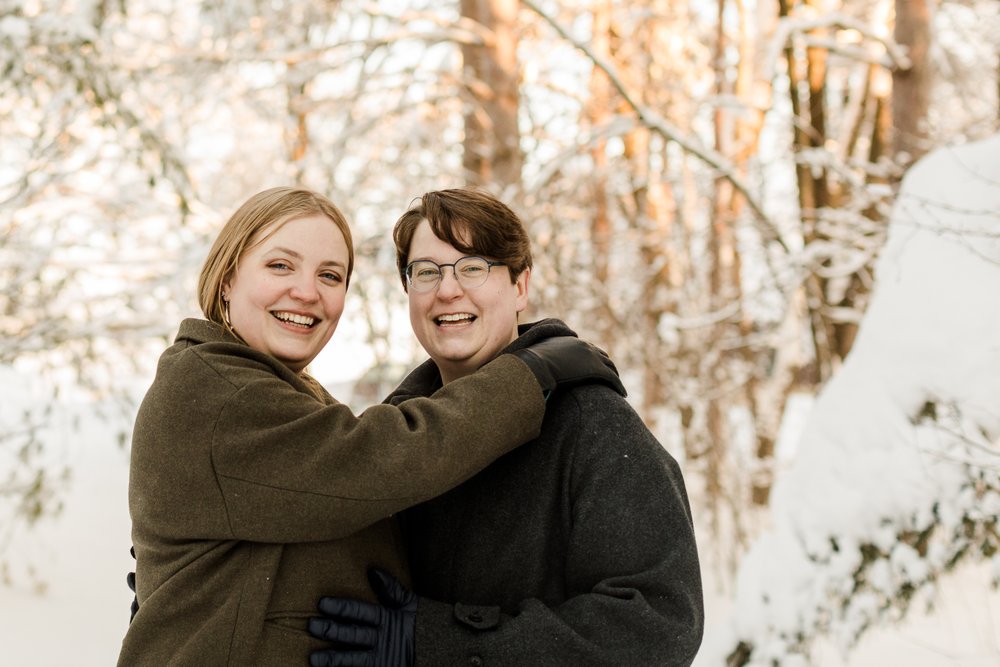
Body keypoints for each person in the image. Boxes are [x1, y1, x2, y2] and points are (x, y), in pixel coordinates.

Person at [117, 186, 625, 665]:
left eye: (330, 275)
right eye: (280, 265)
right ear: (227, 278)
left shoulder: (286, 397)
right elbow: (377, 459)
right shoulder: (219, 390)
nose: (306, 292)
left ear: (520, 286)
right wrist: (529, 376)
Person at [307, 188, 705, 666]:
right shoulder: (392, 438)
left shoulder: (590, 423)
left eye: (473, 267)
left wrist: (449, 644)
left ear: (520, 287)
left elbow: (660, 621)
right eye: (426, 272)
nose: (447, 290)